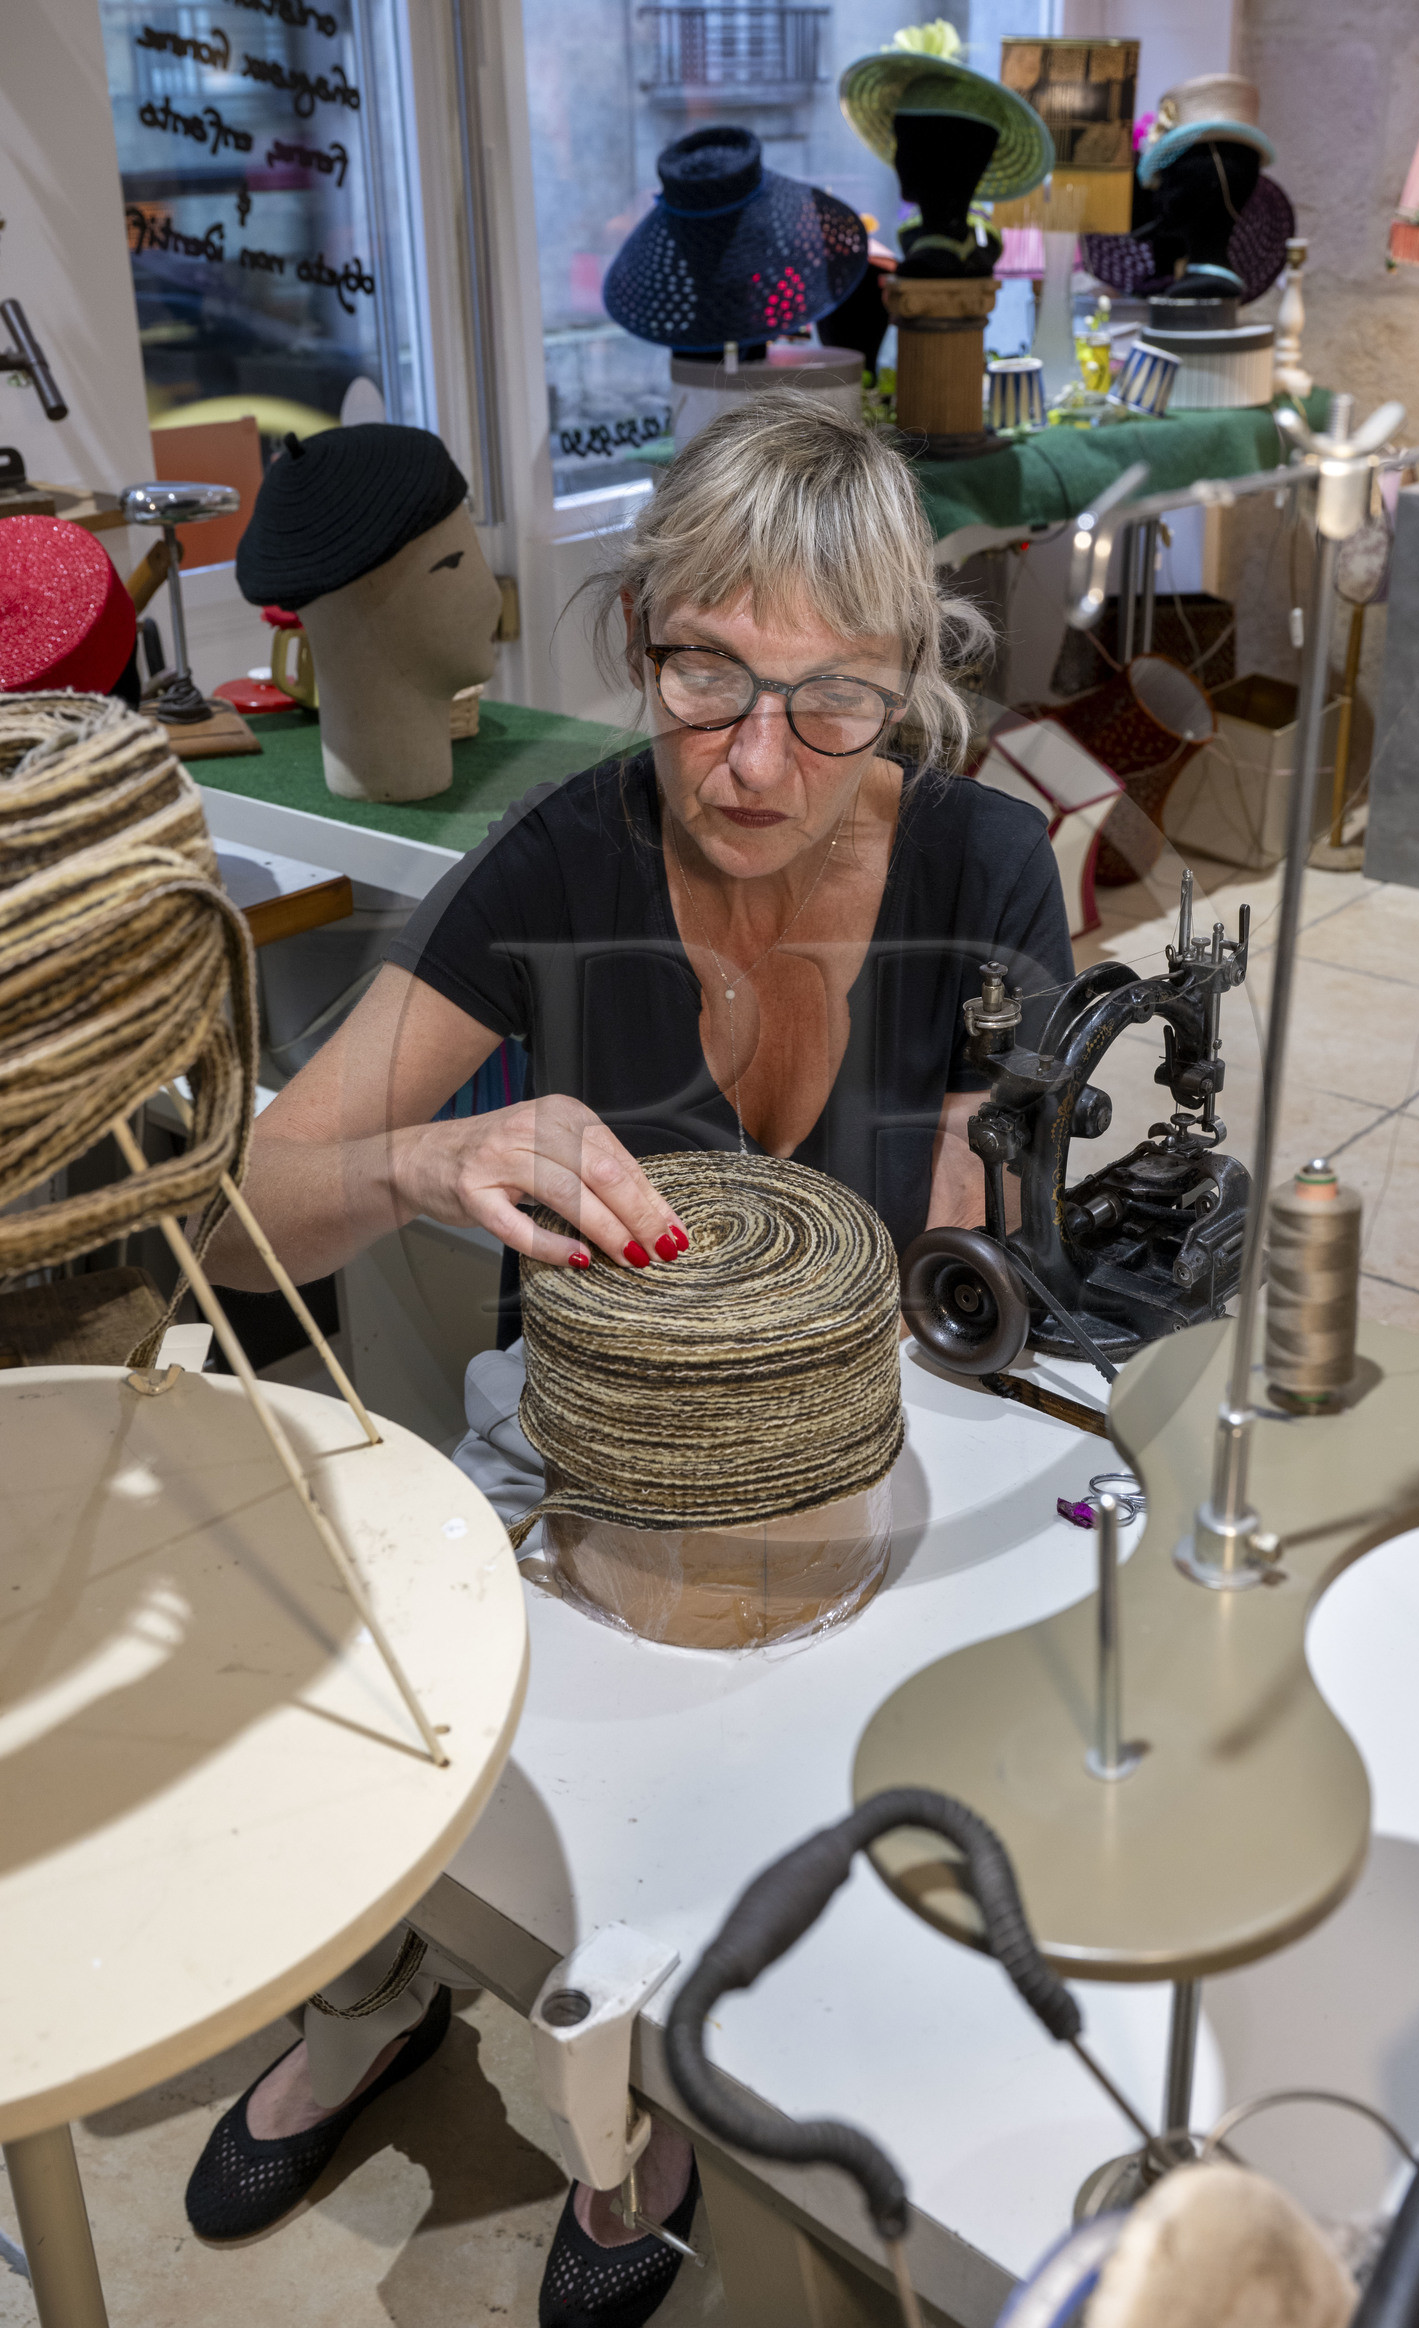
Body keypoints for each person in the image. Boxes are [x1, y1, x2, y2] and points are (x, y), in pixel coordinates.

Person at [186, 390, 1072, 2325]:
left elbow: (963, 1300)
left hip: (852, 1473)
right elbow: (250, 1198)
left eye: (831, 701)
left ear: (914, 684)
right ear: (638, 634)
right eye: (702, 676)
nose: (753, 762)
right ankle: (383, 2003)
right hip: (581, 1480)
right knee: (417, 1755)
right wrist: (426, 1155)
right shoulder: (561, 862)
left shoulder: (992, 876)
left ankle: (654, 2088)